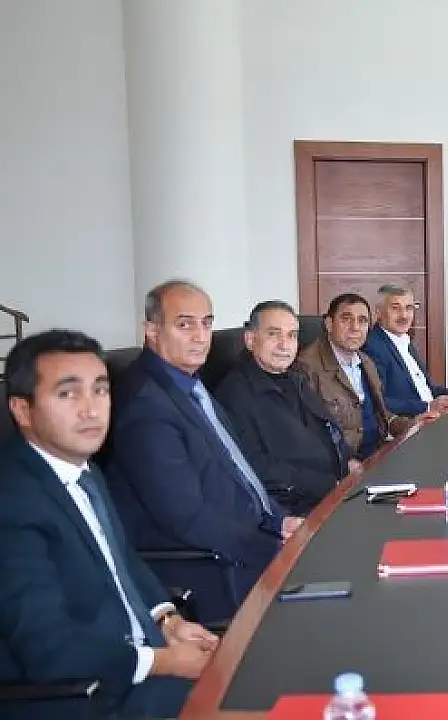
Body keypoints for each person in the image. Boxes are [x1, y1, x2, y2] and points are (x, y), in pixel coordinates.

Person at [0, 330, 218, 719]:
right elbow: (48, 650)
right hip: (87, 697)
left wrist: (166, 619)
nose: (91, 410)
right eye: (68, 394)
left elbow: (122, 561)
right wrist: (165, 661)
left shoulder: (82, 469)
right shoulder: (12, 501)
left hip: (134, 662)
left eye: (100, 390)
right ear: (22, 410)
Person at [107, 281, 298, 624]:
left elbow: (239, 473)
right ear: (152, 330)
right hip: (210, 567)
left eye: (206, 323)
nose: (200, 336)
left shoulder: (189, 384)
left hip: (246, 538)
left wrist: (280, 520)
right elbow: (187, 517)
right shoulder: (145, 405)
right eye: (185, 325)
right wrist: (272, 548)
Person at [215, 301, 359, 515]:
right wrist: (328, 485)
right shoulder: (235, 394)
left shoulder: (294, 376)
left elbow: (326, 428)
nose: (285, 345)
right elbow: (255, 467)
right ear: (250, 340)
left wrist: (349, 462)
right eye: (274, 334)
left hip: (336, 491)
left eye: (291, 335)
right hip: (294, 511)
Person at [297, 293, 415, 461]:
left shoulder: (366, 361)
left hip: (377, 454)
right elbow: (309, 433)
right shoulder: (306, 368)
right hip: (342, 464)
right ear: (329, 324)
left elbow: (379, 413)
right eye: (346, 319)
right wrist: (345, 463)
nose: (355, 328)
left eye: (362, 320)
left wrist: (411, 426)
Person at [363, 284, 448, 418]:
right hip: (406, 425)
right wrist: (427, 407)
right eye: (395, 308)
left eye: (409, 308)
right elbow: (377, 401)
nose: (404, 315)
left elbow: (427, 390)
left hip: (430, 418)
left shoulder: (404, 341)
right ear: (379, 311)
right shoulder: (372, 347)